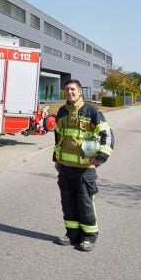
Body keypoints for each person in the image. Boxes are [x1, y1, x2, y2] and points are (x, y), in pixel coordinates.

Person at [53, 79, 114, 252]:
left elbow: (107, 135)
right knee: (68, 203)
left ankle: (88, 236)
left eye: (73, 89)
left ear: (80, 91)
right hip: (65, 167)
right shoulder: (62, 111)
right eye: (67, 89)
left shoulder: (91, 111)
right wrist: (57, 159)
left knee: (85, 203)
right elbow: (58, 138)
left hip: (85, 169)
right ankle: (72, 233)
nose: (69, 92)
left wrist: (101, 157)